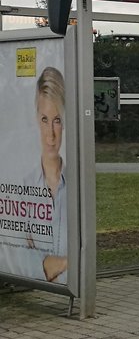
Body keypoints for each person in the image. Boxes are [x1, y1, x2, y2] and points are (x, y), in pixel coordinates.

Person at [22, 67, 68, 282]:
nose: (51, 134)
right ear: (36, 118)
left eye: (57, 120)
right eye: (44, 119)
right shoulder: (24, 186)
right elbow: (18, 255)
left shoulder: (77, 185)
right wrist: (63, 263)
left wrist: (47, 264)